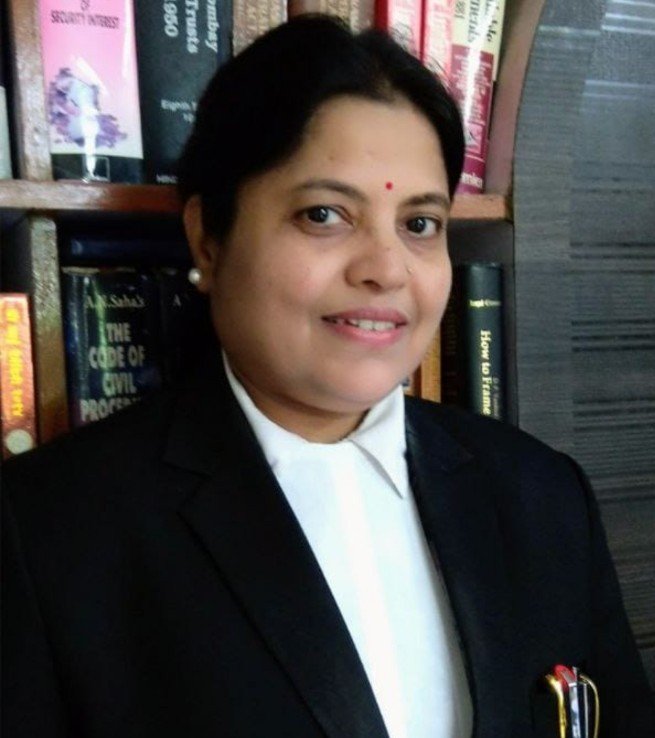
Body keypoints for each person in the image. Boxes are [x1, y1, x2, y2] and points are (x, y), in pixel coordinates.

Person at [2, 15, 653, 738]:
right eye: (324, 214)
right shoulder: (50, 532)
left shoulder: (540, 496)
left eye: (419, 224)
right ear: (208, 240)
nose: (385, 269)